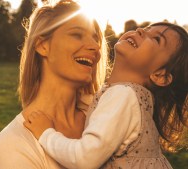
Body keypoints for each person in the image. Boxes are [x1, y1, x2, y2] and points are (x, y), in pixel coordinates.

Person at [24, 21, 188, 169]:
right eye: (145, 29)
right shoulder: (136, 98)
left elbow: (85, 158)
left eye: (156, 39)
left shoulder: (123, 96)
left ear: (160, 76)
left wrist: (46, 133)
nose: (139, 31)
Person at [0, 0, 108, 168]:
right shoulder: (14, 141)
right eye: (76, 34)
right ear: (42, 46)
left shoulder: (105, 115)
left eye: (95, 38)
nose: (95, 47)